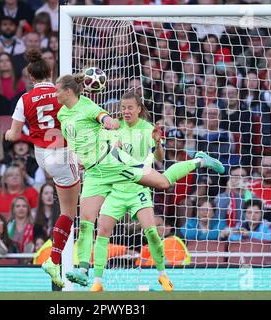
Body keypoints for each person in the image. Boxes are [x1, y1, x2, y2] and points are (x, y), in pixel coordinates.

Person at [48, 73, 223, 287]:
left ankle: (199, 161)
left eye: (57, 90)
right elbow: (78, 139)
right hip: (94, 172)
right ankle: (84, 269)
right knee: (86, 222)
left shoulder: (88, 106)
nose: (54, 94)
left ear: (68, 92)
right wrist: (80, 158)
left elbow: (104, 118)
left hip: (114, 162)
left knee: (163, 183)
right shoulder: (63, 115)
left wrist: (110, 123)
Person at [5, 49, 81, 287]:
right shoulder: (61, 92)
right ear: (50, 73)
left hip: (43, 155)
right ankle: (54, 259)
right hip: (63, 152)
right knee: (70, 212)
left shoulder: (24, 99)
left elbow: (14, 134)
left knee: (68, 202)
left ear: (31, 78)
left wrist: (8, 134)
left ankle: (56, 261)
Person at [91, 91, 174, 292]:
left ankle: (163, 276)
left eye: (130, 108)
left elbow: (161, 159)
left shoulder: (147, 129)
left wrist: (157, 142)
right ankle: (97, 281)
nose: (126, 111)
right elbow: (105, 156)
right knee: (102, 231)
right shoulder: (115, 128)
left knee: (152, 232)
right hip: (117, 190)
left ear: (138, 109)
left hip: (139, 189)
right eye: (123, 108)